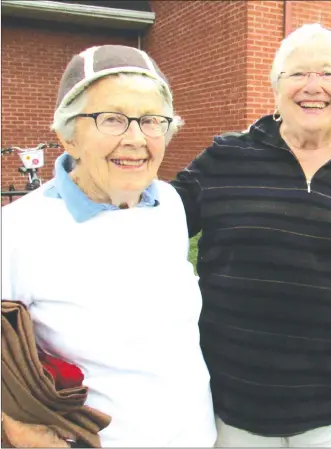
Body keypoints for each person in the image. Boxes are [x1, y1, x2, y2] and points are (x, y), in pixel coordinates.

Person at [171, 23, 331, 447]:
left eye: (328, 73)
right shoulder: (225, 158)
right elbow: (154, 226)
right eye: (297, 73)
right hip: (235, 407)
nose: (313, 86)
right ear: (276, 89)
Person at [1, 45, 217, 447]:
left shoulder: (168, 204)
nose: (136, 139)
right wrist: (11, 424)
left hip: (198, 436)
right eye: (112, 119)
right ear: (67, 136)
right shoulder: (18, 229)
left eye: (152, 121)